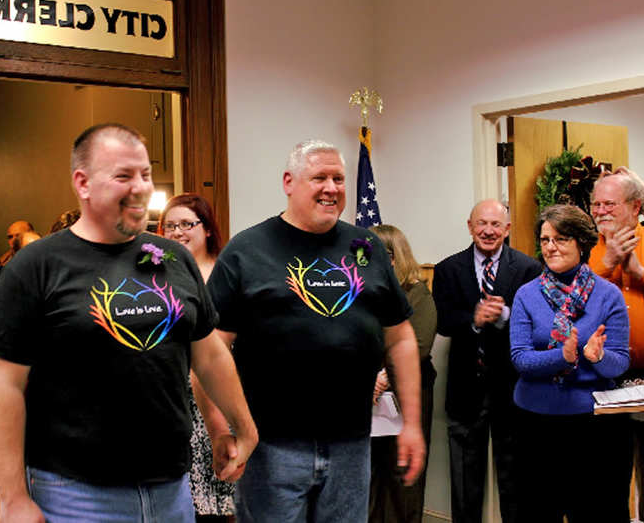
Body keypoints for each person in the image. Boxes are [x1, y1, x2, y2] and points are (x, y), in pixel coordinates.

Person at [0, 123, 258, 522]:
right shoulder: (35, 266)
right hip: (74, 494)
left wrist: (238, 427)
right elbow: (5, 385)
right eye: (123, 175)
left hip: (171, 489)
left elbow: (209, 354)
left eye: (145, 174)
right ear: (83, 183)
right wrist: (11, 498)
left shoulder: (173, 258)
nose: (141, 187)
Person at [206, 139, 425, 523]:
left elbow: (402, 336)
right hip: (271, 446)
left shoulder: (366, 246)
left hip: (352, 445)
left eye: (338, 178)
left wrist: (411, 422)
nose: (332, 188)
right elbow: (209, 351)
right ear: (289, 182)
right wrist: (221, 429)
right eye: (319, 177)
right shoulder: (247, 250)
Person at [511, 204, 631, 523]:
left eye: (560, 239)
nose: (550, 247)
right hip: (536, 427)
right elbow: (521, 359)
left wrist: (598, 357)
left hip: (594, 431)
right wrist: (561, 357)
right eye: (545, 239)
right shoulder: (526, 295)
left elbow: (620, 363)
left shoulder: (609, 296)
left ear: (581, 243)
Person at [432, 199, 541, 523]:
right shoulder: (447, 269)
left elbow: (537, 327)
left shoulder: (528, 268)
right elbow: (442, 322)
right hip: (464, 392)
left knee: (515, 486)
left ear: (507, 229)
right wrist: (474, 318)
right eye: (482, 224)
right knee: (465, 488)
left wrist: (505, 315)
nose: (488, 231)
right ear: (470, 226)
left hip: (513, 394)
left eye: (496, 225)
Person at [589, 172, 644, 523]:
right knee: (609, 473)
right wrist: (607, 265)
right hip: (603, 379)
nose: (601, 211)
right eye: (596, 204)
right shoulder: (586, 251)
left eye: (609, 204)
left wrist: (640, 271)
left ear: (635, 207)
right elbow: (573, 304)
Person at [159, 193, 235, 523]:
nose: (177, 232)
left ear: (206, 229)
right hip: (174, 399)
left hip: (222, 393)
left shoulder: (227, 273)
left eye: (187, 224)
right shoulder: (155, 277)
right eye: (170, 226)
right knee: (187, 499)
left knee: (228, 494)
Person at [368, 224, 437, 523]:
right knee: (371, 475)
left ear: (394, 258)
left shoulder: (417, 294)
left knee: (402, 476)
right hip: (369, 396)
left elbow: (418, 344)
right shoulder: (361, 294)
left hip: (407, 395)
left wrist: (384, 375)